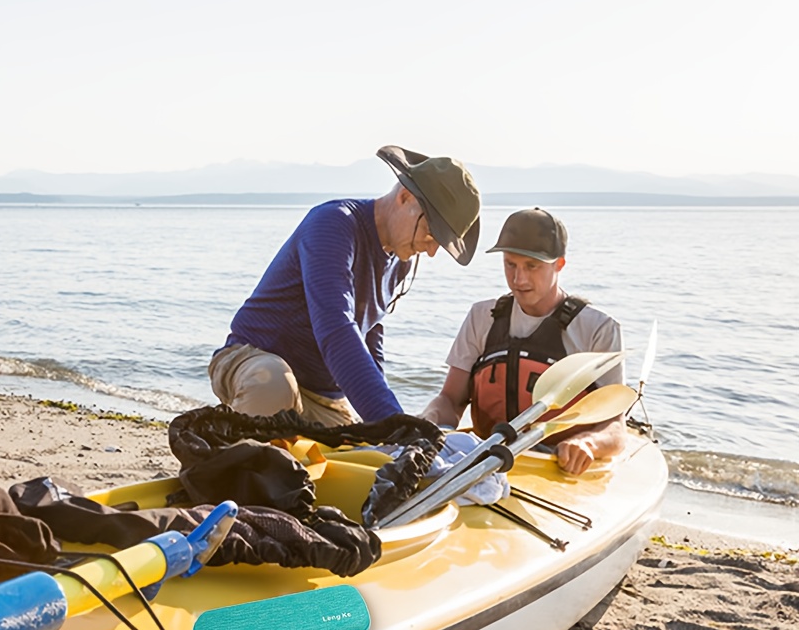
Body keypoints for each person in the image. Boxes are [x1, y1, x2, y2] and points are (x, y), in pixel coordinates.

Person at [209, 145, 481, 426]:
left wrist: (387, 424)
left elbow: (370, 336)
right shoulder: (333, 224)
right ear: (405, 197)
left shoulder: (400, 262)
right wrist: (392, 421)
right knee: (274, 382)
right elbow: (335, 327)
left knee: (373, 448)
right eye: (431, 233)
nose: (432, 251)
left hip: (321, 398)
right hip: (252, 361)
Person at [420, 207, 626, 475]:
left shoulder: (598, 329)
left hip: (558, 467)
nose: (519, 279)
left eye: (532, 266)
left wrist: (588, 443)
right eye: (510, 264)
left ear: (559, 264)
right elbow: (450, 399)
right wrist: (430, 420)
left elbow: (616, 427)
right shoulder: (481, 317)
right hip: (487, 458)